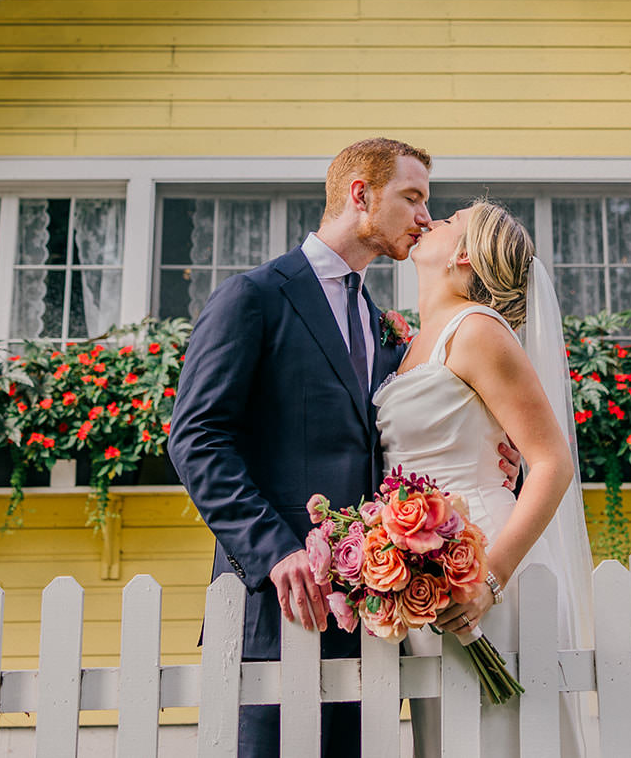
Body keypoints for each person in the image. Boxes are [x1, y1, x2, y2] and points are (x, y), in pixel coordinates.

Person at [167, 138, 519, 758]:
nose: (424, 217)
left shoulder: (385, 326)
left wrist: (494, 444)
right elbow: (196, 437)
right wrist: (275, 552)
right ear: (361, 195)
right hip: (278, 610)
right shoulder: (254, 297)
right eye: (411, 197)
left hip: (373, 620)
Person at [377, 201, 593, 757]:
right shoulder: (414, 343)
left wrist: (489, 579)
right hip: (420, 565)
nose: (432, 220)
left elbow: (551, 461)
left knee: (501, 739)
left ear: (465, 255)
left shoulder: (476, 331)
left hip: (480, 562)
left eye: (449, 220)